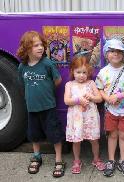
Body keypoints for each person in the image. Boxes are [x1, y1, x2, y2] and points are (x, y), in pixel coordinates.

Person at [17, 31, 65, 178]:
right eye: (35, 45)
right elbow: (22, 83)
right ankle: (37, 156)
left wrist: (47, 90)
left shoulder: (47, 63)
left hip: (48, 107)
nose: (40, 48)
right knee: (34, 134)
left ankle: (59, 160)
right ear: (26, 49)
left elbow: (57, 80)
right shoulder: (22, 67)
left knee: (54, 134)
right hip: (32, 108)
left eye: (41, 45)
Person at [95, 39, 124, 177]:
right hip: (110, 110)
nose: (116, 54)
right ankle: (111, 160)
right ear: (106, 54)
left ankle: (123, 160)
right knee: (112, 135)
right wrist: (107, 98)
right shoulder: (103, 72)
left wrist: (118, 96)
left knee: (123, 135)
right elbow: (99, 88)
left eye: (119, 51)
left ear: (123, 55)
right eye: (112, 51)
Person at [64, 56, 105, 174]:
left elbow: (99, 99)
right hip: (76, 118)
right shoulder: (69, 84)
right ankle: (77, 161)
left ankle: (96, 159)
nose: (81, 75)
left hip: (90, 117)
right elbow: (66, 101)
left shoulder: (91, 83)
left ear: (88, 72)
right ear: (72, 71)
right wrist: (78, 100)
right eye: (78, 72)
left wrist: (91, 97)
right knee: (76, 141)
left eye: (84, 72)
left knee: (94, 140)